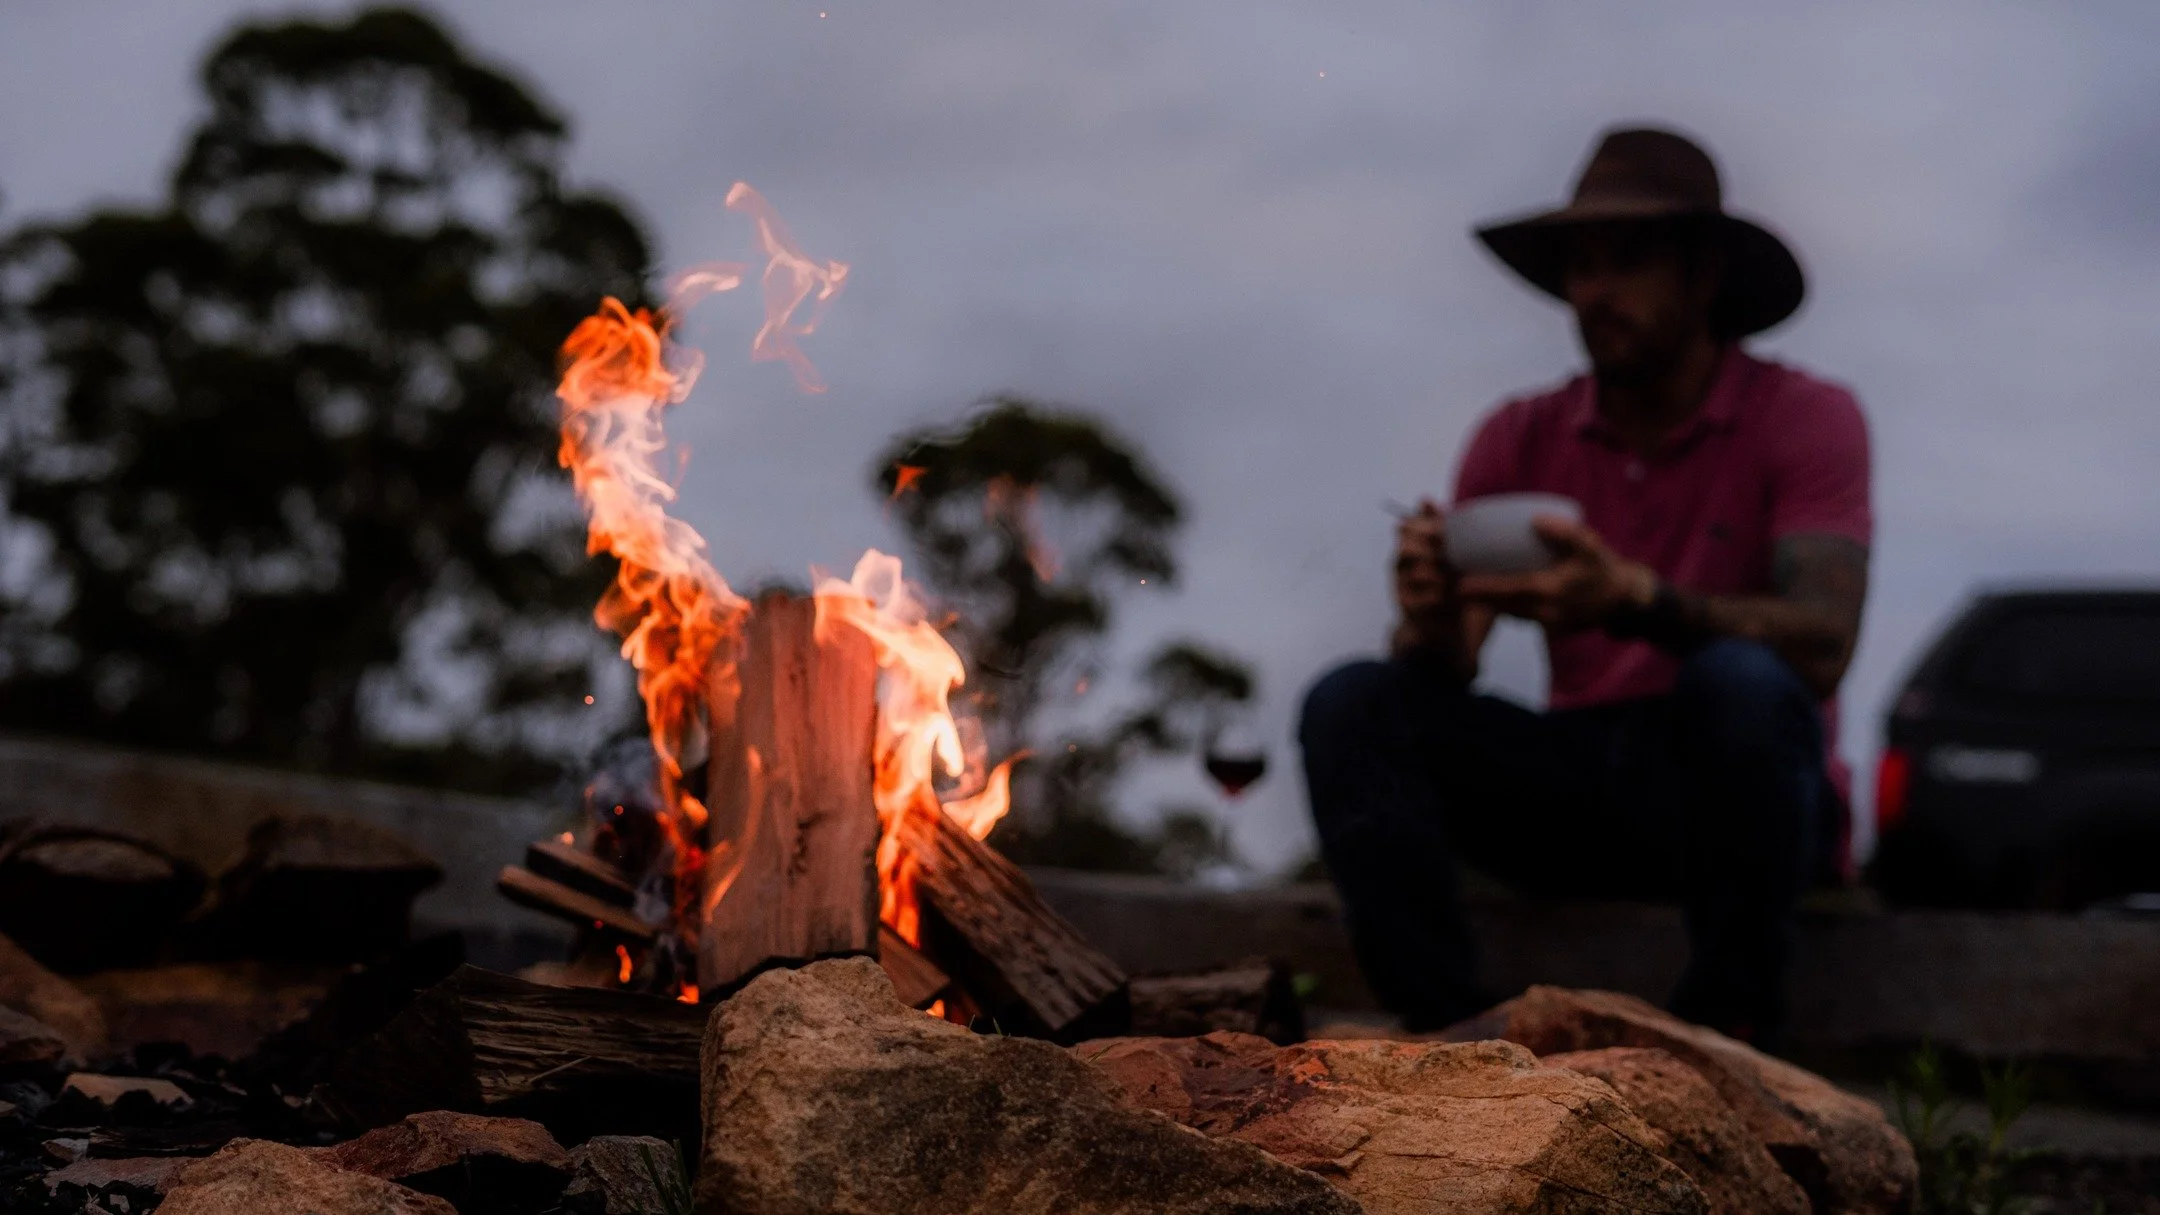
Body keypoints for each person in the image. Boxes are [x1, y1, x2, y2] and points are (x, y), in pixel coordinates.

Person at [1299, 126, 1871, 1046]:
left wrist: (1637, 601)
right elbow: (1449, 666)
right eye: (1581, 266)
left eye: (1627, 262)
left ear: (1704, 275)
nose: (1594, 293)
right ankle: (1448, 1029)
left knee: (1743, 686)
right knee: (1352, 702)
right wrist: (1429, 613)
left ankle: (1731, 1026)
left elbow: (1824, 641)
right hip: (1579, 785)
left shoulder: (1804, 417)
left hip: (1739, 795)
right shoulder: (1521, 433)